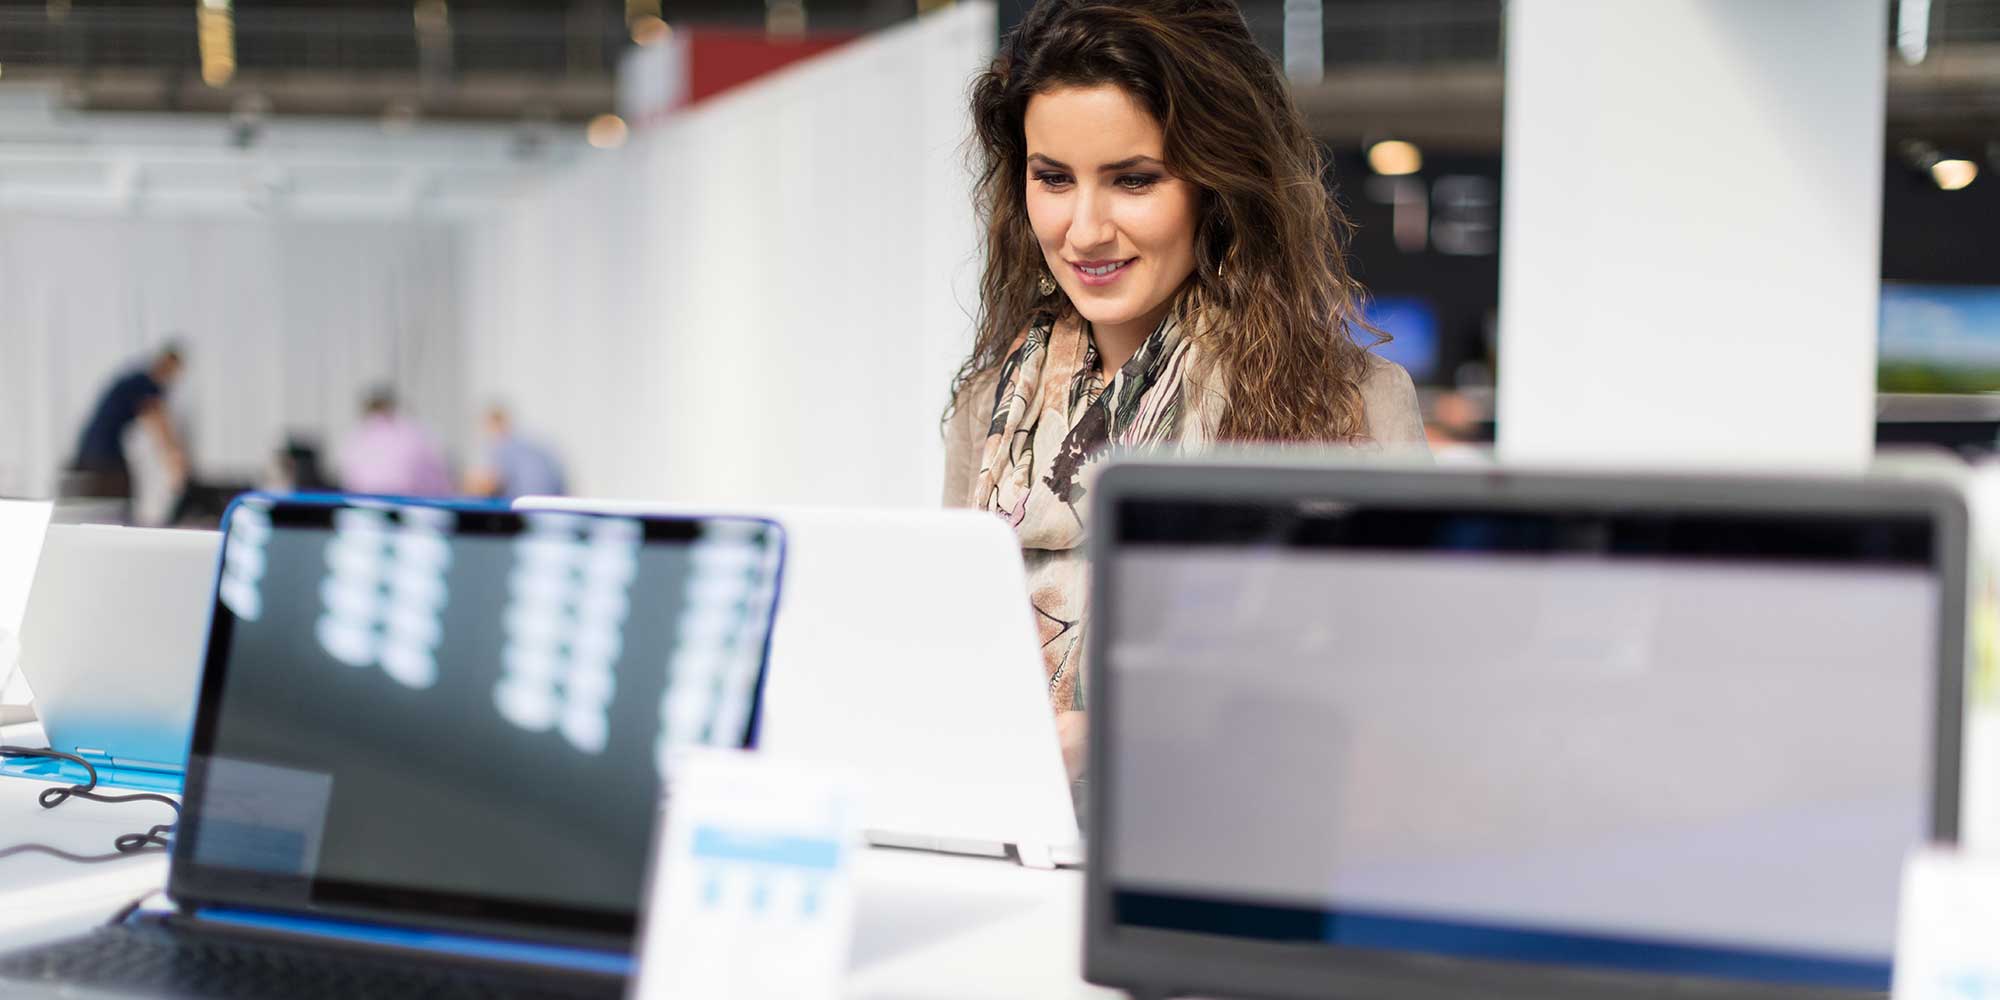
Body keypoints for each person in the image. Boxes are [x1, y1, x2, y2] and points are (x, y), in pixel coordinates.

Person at [939, 0, 1427, 781]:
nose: (1085, 230)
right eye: (1053, 179)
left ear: (1218, 181)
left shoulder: (1350, 403)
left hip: (1229, 865)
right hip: (1013, 856)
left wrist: (1116, 735)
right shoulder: (990, 409)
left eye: (1133, 180)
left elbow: (1396, 695)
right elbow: (955, 659)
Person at [67, 343, 190, 519]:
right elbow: (158, 423)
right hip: (103, 455)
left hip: (89, 452)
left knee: (108, 506)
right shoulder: (146, 383)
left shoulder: (133, 380)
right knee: (119, 504)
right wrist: (175, 459)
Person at [336, 387, 454, 498]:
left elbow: (349, 478)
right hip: (411, 506)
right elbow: (437, 475)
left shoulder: (356, 436)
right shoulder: (413, 431)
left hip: (365, 509)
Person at [463, 405, 567, 499]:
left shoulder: (503, 446)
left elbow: (489, 483)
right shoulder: (534, 445)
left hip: (525, 509)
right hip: (552, 505)